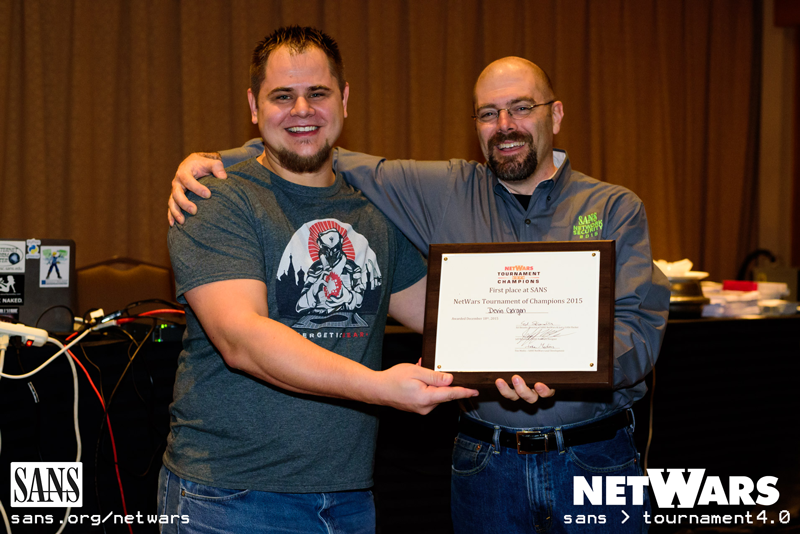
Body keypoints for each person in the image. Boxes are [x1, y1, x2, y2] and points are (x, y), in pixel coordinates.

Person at [169, 56, 669, 533]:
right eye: (488, 113)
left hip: (595, 457)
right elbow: (317, 144)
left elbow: (639, 334)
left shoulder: (613, 207)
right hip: (484, 462)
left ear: (555, 115)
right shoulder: (445, 188)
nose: (505, 125)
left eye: (521, 108)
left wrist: (562, 371)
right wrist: (218, 158)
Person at [160, 26, 478, 534]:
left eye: (318, 93)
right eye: (282, 96)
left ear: (344, 100)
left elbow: (455, 319)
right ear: (254, 105)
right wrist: (379, 387)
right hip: (229, 498)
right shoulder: (215, 199)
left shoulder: (375, 212)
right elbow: (243, 339)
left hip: (349, 500)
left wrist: (534, 355)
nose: (302, 110)